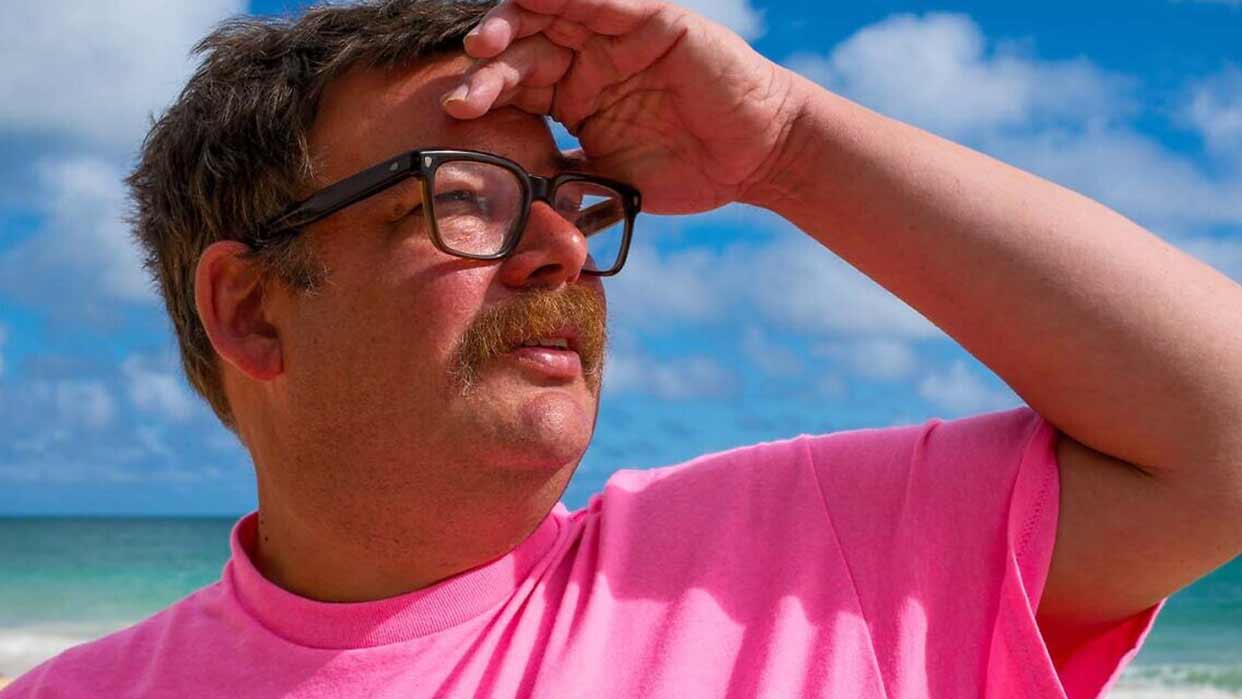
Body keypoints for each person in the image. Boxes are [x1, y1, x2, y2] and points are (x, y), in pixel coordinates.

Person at [4, 0, 1241, 696]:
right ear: (252, 310)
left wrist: (786, 147)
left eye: (575, 203)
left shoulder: (808, 556)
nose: (562, 248)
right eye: (468, 196)